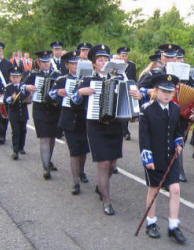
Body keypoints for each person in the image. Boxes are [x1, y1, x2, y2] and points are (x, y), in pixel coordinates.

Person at [79, 44, 141, 214]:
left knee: (112, 164)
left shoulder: (121, 79)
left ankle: (101, 187)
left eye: (106, 59)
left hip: (115, 126)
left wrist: (138, 96)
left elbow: (133, 99)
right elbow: (75, 101)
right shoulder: (89, 80)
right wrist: (80, 93)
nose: (103, 62)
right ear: (94, 64)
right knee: (104, 163)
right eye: (100, 60)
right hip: (96, 127)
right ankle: (107, 201)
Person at [139, 74, 186, 244]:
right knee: (154, 190)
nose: (167, 95)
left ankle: (174, 226)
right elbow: (144, 138)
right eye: (163, 91)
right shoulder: (146, 109)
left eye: (170, 92)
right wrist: (147, 159)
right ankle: (151, 223)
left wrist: (179, 142)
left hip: (171, 157)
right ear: (156, 91)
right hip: (154, 157)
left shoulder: (175, 108)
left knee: (175, 190)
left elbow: (177, 131)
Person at [49, 50, 90, 193]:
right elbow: (51, 94)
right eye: (73, 63)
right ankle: (75, 182)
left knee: (84, 150)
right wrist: (58, 93)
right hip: (68, 118)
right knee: (74, 151)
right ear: (67, 65)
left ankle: (82, 171)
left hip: (84, 119)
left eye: (77, 62)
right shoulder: (62, 79)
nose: (76, 65)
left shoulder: (87, 79)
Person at [24, 50, 64, 180]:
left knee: (52, 137)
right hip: (40, 109)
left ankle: (49, 161)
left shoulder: (57, 75)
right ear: (38, 62)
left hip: (54, 110)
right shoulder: (33, 75)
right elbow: (21, 87)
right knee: (44, 137)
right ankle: (45, 167)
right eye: (43, 62)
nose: (46, 64)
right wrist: (28, 89)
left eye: (47, 62)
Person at [4, 66, 30, 160]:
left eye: (17, 77)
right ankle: (15, 151)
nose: (15, 79)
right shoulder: (8, 87)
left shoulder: (24, 86)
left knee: (23, 130)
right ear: (10, 78)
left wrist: (28, 99)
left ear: (21, 77)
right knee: (16, 131)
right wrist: (12, 98)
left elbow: (28, 98)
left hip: (23, 112)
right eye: (13, 77)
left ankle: (21, 147)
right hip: (13, 113)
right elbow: (6, 100)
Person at [117, 46, 137, 140]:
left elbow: (134, 77)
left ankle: (125, 131)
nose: (124, 57)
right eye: (122, 55)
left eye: (125, 55)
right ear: (119, 56)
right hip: (118, 89)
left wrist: (135, 86)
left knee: (126, 110)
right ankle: (124, 131)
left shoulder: (132, 65)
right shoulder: (116, 65)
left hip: (128, 88)